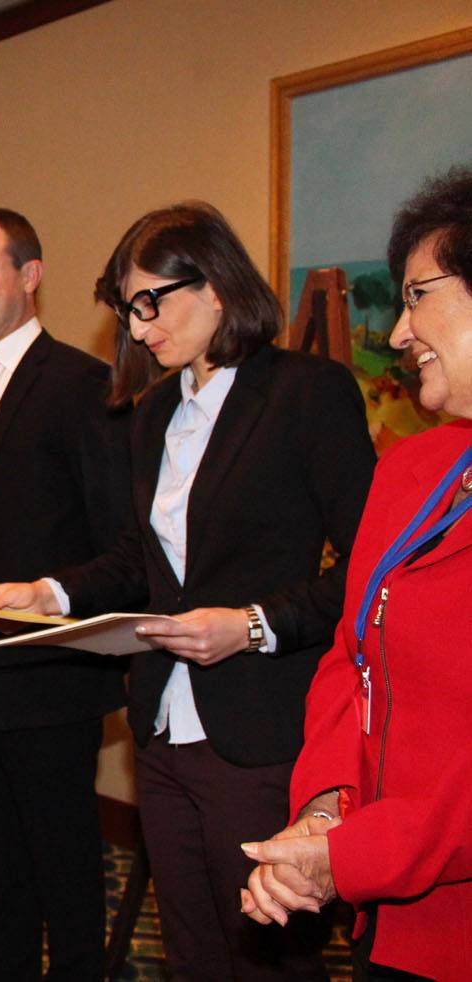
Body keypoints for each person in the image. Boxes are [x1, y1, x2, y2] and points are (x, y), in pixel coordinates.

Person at [0, 202, 375, 980]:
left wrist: (253, 625)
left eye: (151, 302)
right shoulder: (155, 410)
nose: (139, 327)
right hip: (163, 723)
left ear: (217, 285)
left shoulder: (306, 392)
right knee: (191, 950)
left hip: (259, 725)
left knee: (269, 956)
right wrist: (52, 592)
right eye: (128, 310)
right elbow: (145, 558)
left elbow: (371, 568)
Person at [242, 165, 472, 981]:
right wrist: (324, 807)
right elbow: (353, 653)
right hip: (385, 909)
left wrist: (351, 856)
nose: (400, 332)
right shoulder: (412, 471)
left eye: (418, 296)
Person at [0, 208, 131, 980]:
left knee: (66, 872)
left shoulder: (84, 386)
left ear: (30, 275)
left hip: (49, 677)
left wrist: (54, 593)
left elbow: (123, 543)